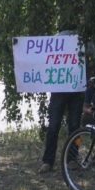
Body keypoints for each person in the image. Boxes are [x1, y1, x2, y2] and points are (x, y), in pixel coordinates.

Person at [38, 28, 85, 174]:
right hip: (59, 91)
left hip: (77, 90)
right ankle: (48, 161)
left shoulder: (82, 40)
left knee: (75, 127)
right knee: (53, 127)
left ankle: (72, 158)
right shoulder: (55, 40)